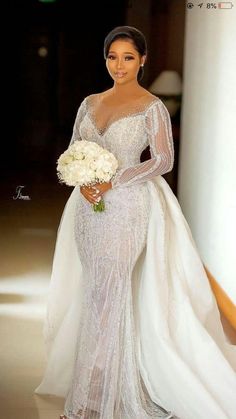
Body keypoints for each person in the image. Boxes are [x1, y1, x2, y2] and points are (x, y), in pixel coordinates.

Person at [34, 26, 236, 419]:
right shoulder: (90, 102)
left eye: (128, 57)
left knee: (111, 295)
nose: (119, 65)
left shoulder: (151, 106)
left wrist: (113, 179)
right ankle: (96, 387)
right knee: (96, 293)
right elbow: (75, 148)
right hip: (88, 209)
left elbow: (163, 159)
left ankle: (97, 399)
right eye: (112, 56)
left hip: (127, 208)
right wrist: (84, 179)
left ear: (143, 60)